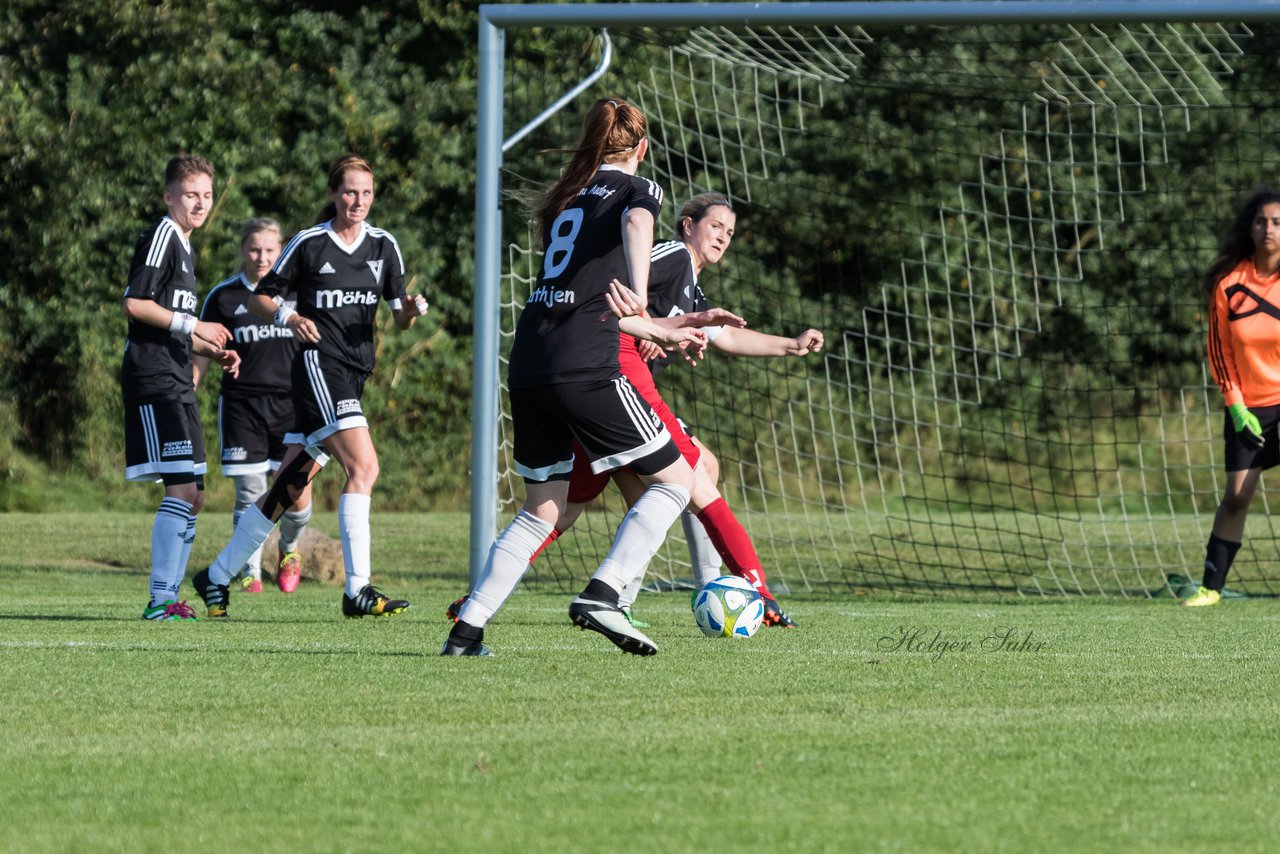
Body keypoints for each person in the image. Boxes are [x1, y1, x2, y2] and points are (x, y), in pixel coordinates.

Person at [446, 193, 822, 628]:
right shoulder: (671, 254)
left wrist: (790, 346)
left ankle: (488, 601)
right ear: (687, 225)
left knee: (569, 506)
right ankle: (751, 590)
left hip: (599, 386)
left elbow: (727, 336)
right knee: (698, 473)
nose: (723, 236)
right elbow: (611, 286)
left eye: (730, 232)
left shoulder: (692, 288)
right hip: (613, 378)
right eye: (716, 225)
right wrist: (644, 322)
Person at [441, 97, 710, 657]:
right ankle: (604, 595)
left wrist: (649, 324)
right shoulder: (638, 190)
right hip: (585, 361)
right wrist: (639, 303)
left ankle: (466, 633)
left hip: (530, 361)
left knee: (542, 508)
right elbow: (638, 223)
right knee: (679, 482)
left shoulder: (566, 196)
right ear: (641, 148)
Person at [190, 154, 429, 619]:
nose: (358, 201)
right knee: (364, 466)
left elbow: (398, 318)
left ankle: (216, 575)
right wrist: (290, 316)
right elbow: (260, 297)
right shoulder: (310, 243)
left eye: (366, 193)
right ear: (333, 194)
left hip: (354, 375)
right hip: (319, 369)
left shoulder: (384, 247)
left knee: (288, 485)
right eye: (349, 192)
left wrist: (411, 312)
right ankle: (357, 589)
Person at [122, 154, 240, 621]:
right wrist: (195, 323)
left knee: (195, 491)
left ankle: (169, 596)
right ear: (169, 195)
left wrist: (209, 347)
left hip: (177, 374)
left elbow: (173, 322)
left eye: (207, 195)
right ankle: (160, 599)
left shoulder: (187, 247)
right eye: (190, 194)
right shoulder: (163, 235)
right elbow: (135, 303)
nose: (200, 203)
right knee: (179, 487)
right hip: (153, 375)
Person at [194, 218, 313, 594]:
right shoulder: (225, 296)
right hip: (242, 406)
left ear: (281, 252)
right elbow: (201, 345)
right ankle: (250, 570)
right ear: (243, 250)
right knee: (250, 490)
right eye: (254, 249)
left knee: (294, 492)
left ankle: (289, 549)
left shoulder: (296, 293)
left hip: (296, 407)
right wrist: (191, 386)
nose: (261, 258)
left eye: (269, 250)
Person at [1185, 187, 1280, 606]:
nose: (1269, 229)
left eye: (1278, 222)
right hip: (1250, 408)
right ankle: (1211, 588)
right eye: (1262, 221)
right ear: (1250, 227)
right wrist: (1236, 405)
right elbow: (1219, 352)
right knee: (1237, 497)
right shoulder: (1229, 284)